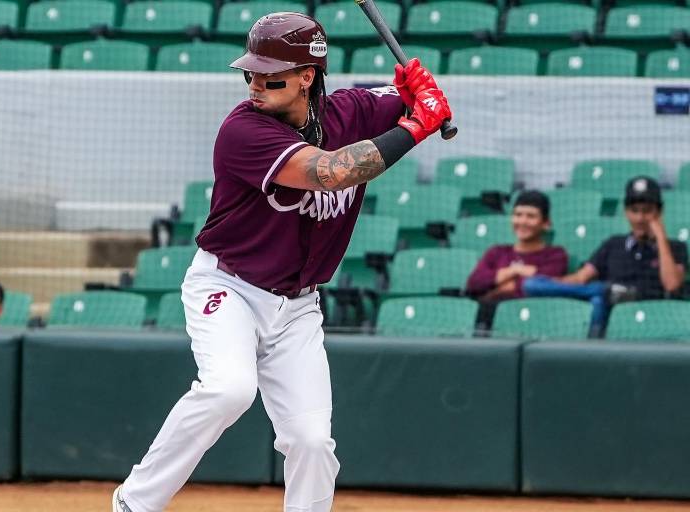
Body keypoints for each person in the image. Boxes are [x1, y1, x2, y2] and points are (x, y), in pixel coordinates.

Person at [113, 12, 452, 512]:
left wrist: (418, 93)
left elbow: (417, 98)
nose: (255, 84)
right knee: (229, 390)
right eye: (250, 73)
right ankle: (136, 502)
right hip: (228, 287)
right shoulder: (243, 130)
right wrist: (417, 124)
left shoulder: (351, 110)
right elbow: (331, 172)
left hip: (297, 306)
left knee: (311, 440)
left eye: (270, 76)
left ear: (306, 76)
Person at [522, 176, 687, 336]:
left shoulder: (675, 247)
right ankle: (607, 300)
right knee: (534, 284)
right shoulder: (613, 243)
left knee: (599, 294)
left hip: (648, 310)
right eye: (634, 211)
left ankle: (608, 293)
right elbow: (580, 278)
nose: (640, 218)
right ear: (626, 212)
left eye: (647, 211)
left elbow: (671, 285)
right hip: (611, 306)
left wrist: (660, 237)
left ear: (659, 212)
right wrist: (552, 283)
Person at [465, 190, 568, 329]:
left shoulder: (555, 255)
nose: (523, 221)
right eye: (518, 215)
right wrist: (515, 270)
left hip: (532, 321)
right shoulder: (496, 252)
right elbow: (474, 282)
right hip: (488, 319)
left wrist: (495, 289)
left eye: (531, 216)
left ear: (546, 223)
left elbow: (539, 286)